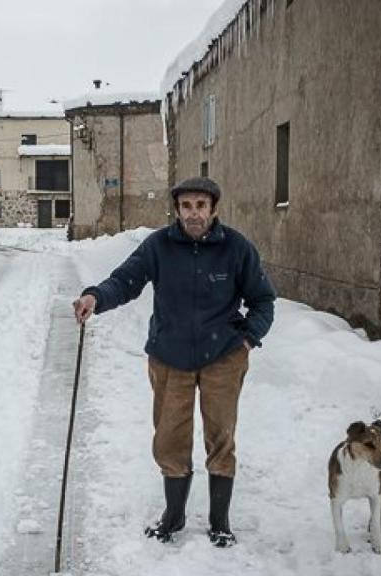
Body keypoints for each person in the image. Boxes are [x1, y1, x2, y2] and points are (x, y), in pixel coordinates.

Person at [73, 176, 275, 547]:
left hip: (223, 357)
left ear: (213, 208)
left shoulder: (236, 248)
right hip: (169, 357)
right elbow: (126, 280)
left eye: (200, 205)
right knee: (169, 438)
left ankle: (219, 521)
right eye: (186, 206)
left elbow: (263, 300)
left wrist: (247, 339)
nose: (193, 213)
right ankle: (174, 515)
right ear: (177, 210)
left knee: (221, 437)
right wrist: (95, 298)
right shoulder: (159, 246)